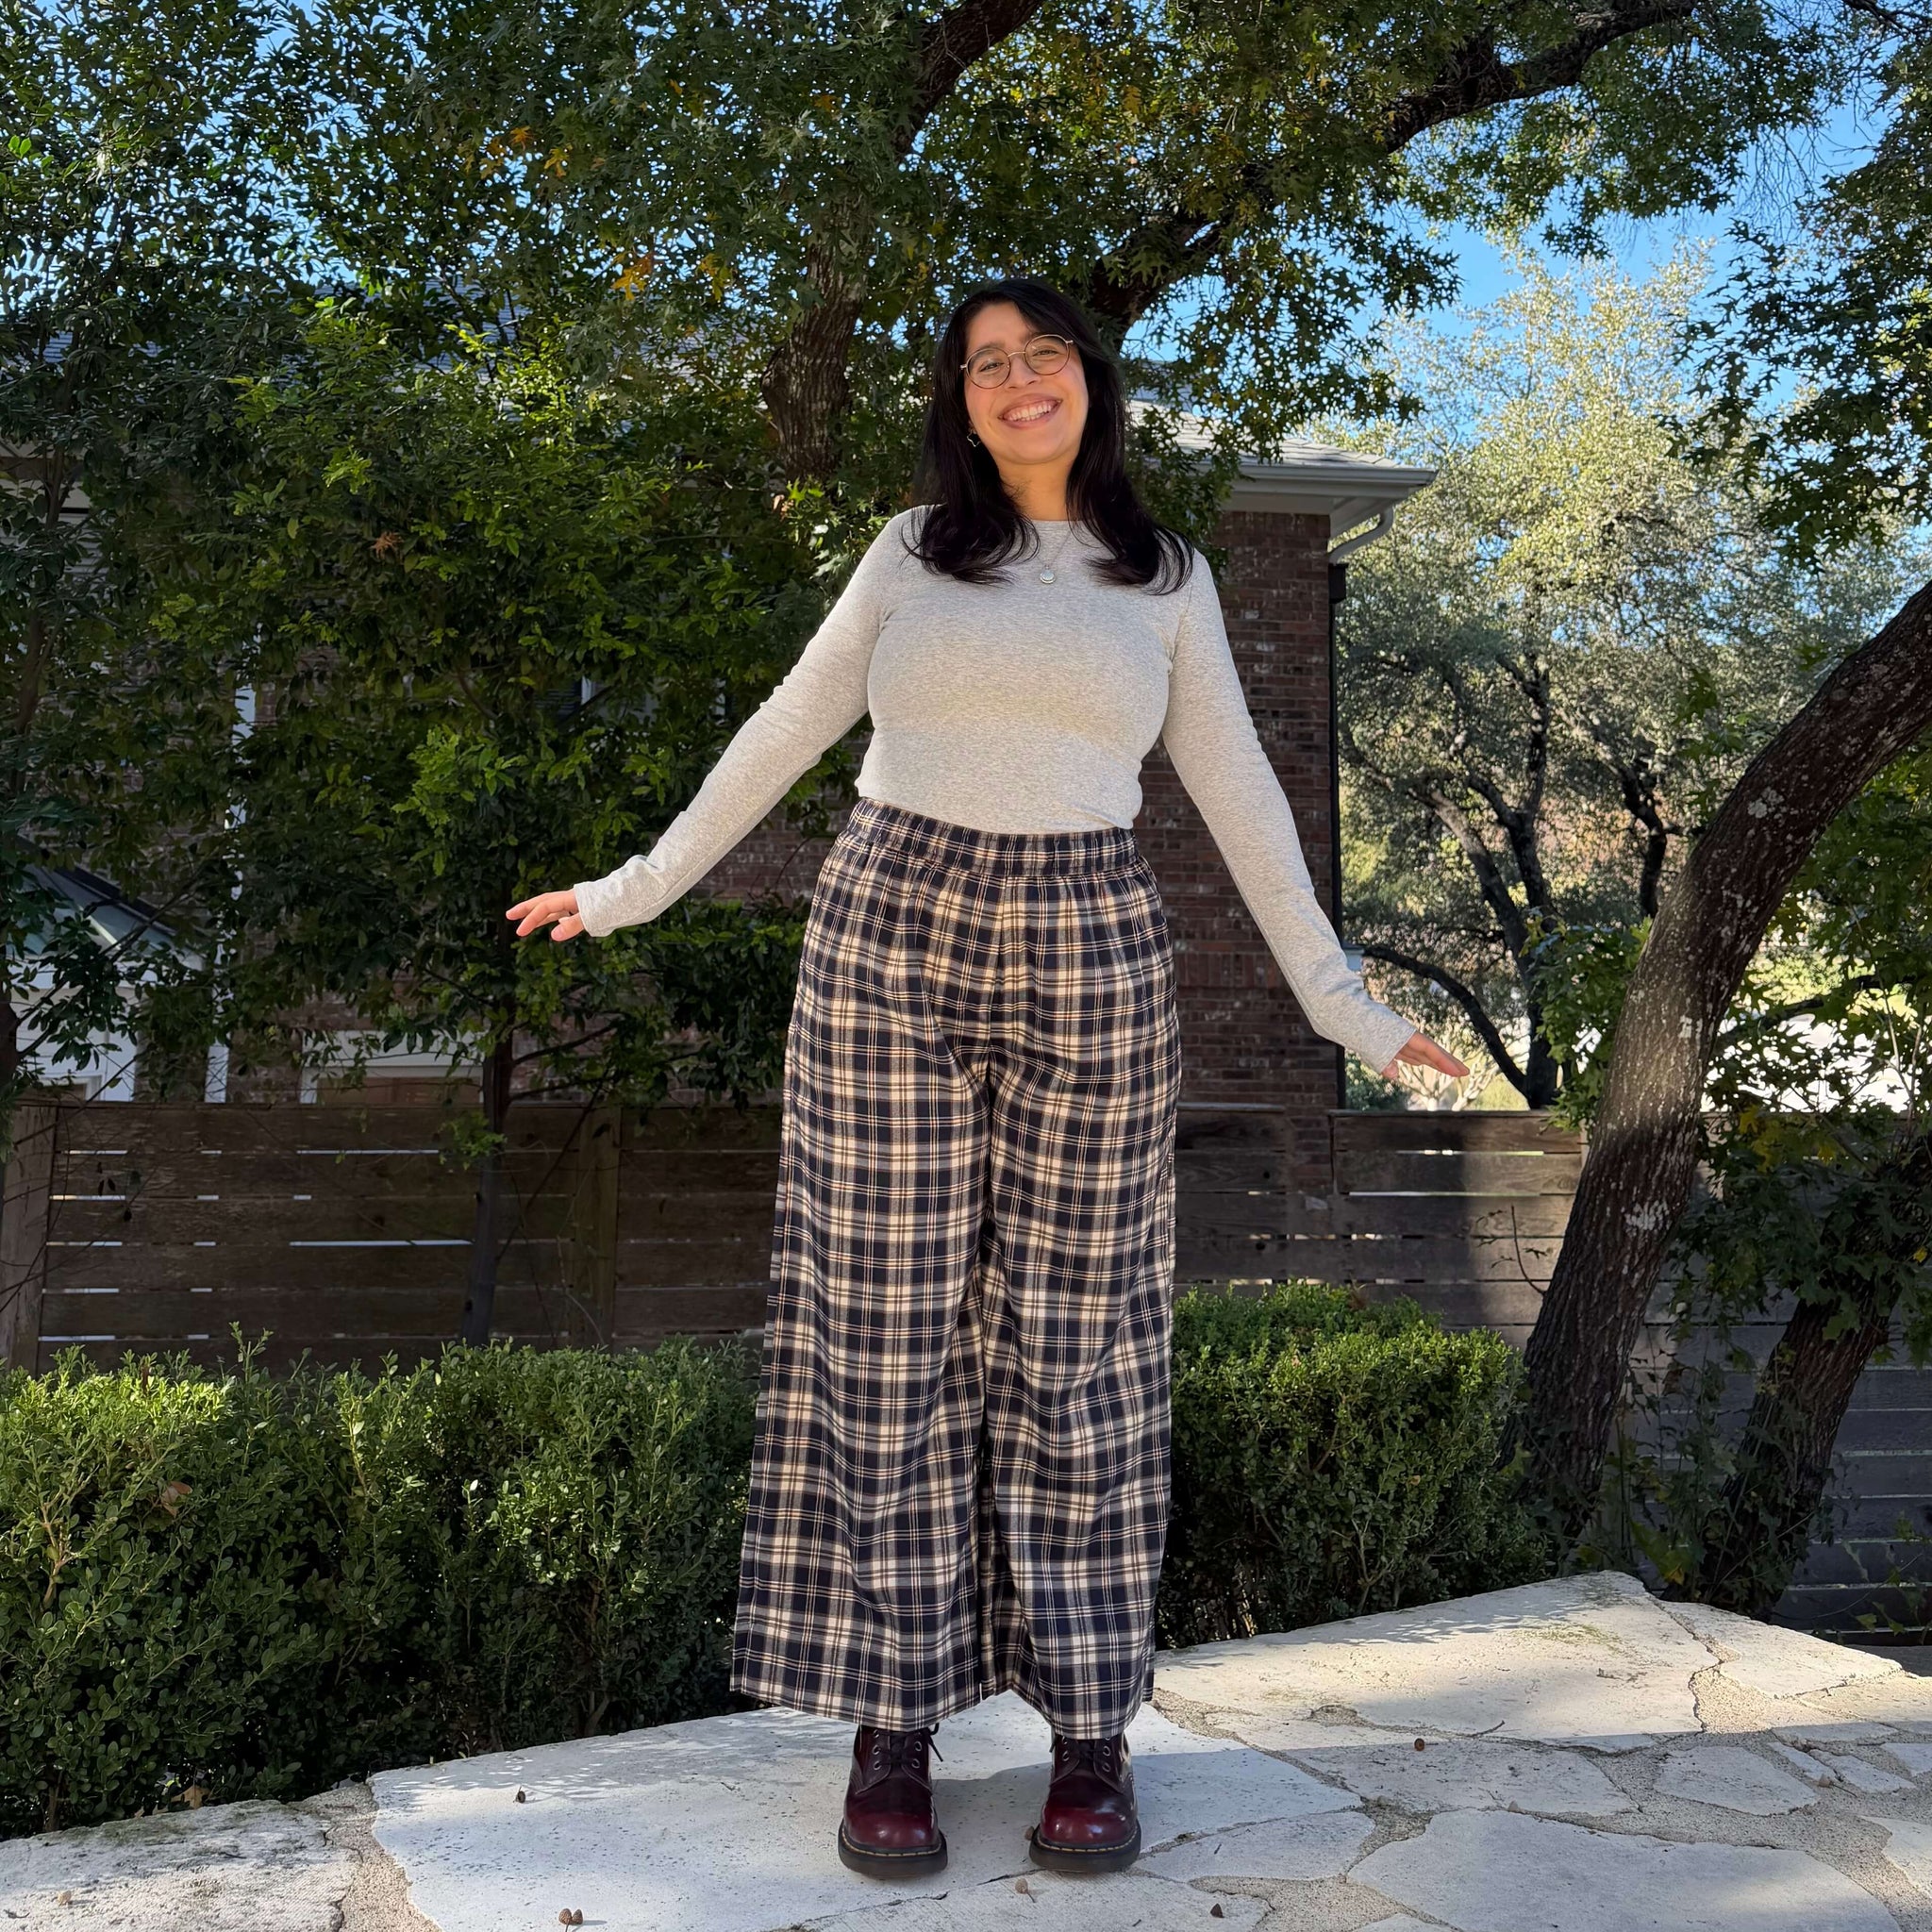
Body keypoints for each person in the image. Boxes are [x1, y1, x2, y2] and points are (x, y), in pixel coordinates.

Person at [507, 275, 1466, 1880]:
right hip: (889, 922)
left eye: (1043, 355)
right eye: (985, 365)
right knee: (885, 1337)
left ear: (1090, 379)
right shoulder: (911, 553)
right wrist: (635, 890)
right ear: (959, 401)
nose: (1019, 381)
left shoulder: (1165, 577)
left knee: (1083, 1341)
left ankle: (1090, 1734)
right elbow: (787, 727)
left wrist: (1348, 1010)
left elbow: (1243, 794)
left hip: (1093, 936)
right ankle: (894, 1722)